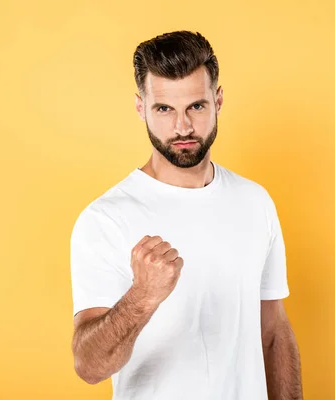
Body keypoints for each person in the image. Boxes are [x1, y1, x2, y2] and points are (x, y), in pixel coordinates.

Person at [70, 30, 302, 400]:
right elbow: (89, 367)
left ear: (218, 100)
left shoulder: (254, 201)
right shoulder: (105, 219)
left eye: (196, 106)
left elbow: (272, 332)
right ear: (141, 107)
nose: (182, 127)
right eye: (164, 109)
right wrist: (142, 296)